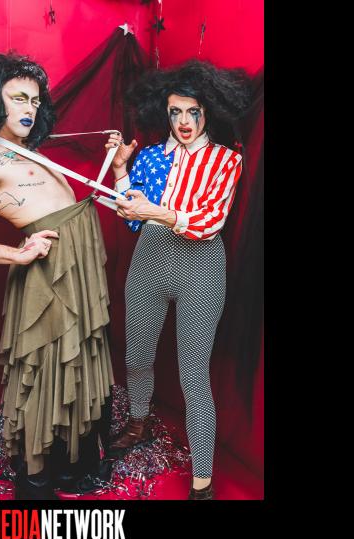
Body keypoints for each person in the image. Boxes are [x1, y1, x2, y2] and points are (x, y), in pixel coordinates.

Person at [0, 52, 114, 499]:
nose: (29, 108)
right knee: (45, 369)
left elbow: (68, 208)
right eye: (18, 98)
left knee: (79, 363)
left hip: (81, 274)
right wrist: (16, 256)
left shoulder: (30, 152)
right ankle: (36, 482)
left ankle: (73, 467)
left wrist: (117, 167)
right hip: (47, 279)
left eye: (35, 100)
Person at [103, 60, 252, 500]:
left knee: (193, 375)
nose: (184, 121)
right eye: (175, 112)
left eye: (193, 111)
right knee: (136, 356)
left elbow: (208, 222)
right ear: (163, 113)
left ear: (209, 111)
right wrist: (121, 172)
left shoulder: (226, 160)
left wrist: (157, 211)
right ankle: (139, 422)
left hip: (200, 267)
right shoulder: (151, 156)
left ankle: (202, 482)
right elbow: (133, 215)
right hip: (150, 259)